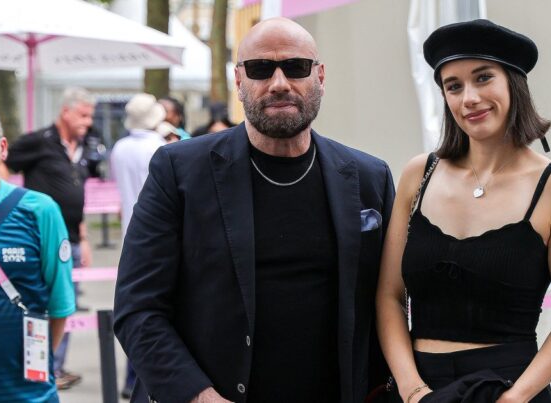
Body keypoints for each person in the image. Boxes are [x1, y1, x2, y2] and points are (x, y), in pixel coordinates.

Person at [114, 17, 394, 403]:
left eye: (296, 67)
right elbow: (138, 308)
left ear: (321, 76)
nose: (279, 83)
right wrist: (199, 396)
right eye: (261, 69)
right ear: (239, 80)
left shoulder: (369, 177)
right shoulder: (179, 171)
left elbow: (391, 303)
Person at [376, 19, 551, 403]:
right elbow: (389, 297)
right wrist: (413, 393)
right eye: (453, 86)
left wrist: (515, 397)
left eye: (482, 78)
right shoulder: (418, 175)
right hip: (420, 390)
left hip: (509, 390)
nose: (469, 98)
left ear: (513, 83)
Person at [0, 103, 75, 402]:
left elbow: (59, 305)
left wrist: (36, 365)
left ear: (2, 147)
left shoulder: (39, 210)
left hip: (26, 394)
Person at [4, 86, 97, 389]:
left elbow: (77, 195)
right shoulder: (39, 141)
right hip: (38, 237)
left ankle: (54, 366)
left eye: (91, 115)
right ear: (65, 112)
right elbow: (3, 163)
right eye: (83, 115)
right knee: (37, 302)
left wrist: (83, 238)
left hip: (70, 238)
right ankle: (39, 366)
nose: (88, 121)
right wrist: (5, 205)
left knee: (64, 304)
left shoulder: (84, 145)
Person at [109, 93, 167, 399]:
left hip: (127, 233)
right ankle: (141, 378)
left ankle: (129, 378)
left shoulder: (120, 148)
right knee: (153, 308)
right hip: (156, 235)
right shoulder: (157, 146)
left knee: (133, 305)